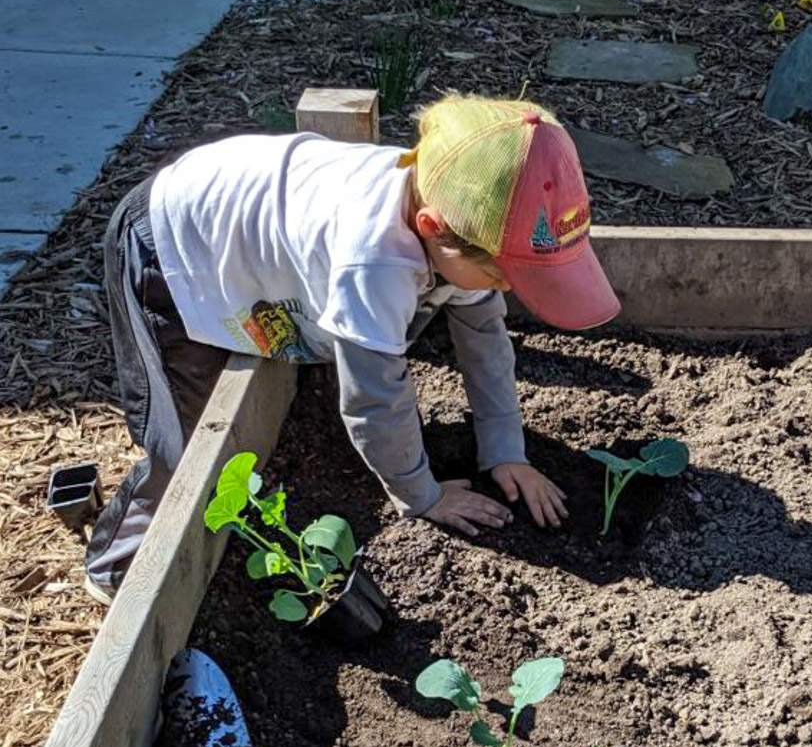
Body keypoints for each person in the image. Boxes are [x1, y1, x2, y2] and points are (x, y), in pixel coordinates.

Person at [84, 93, 620, 600]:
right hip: (171, 249)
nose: (507, 289)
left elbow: (485, 341)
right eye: (501, 276)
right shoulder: (376, 260)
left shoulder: (458, 204)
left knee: (372, 330)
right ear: (432, 228)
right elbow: (374, 398)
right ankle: (118, 567)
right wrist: (421, 495)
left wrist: (506, 450)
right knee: (186, 441)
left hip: (240, 227)